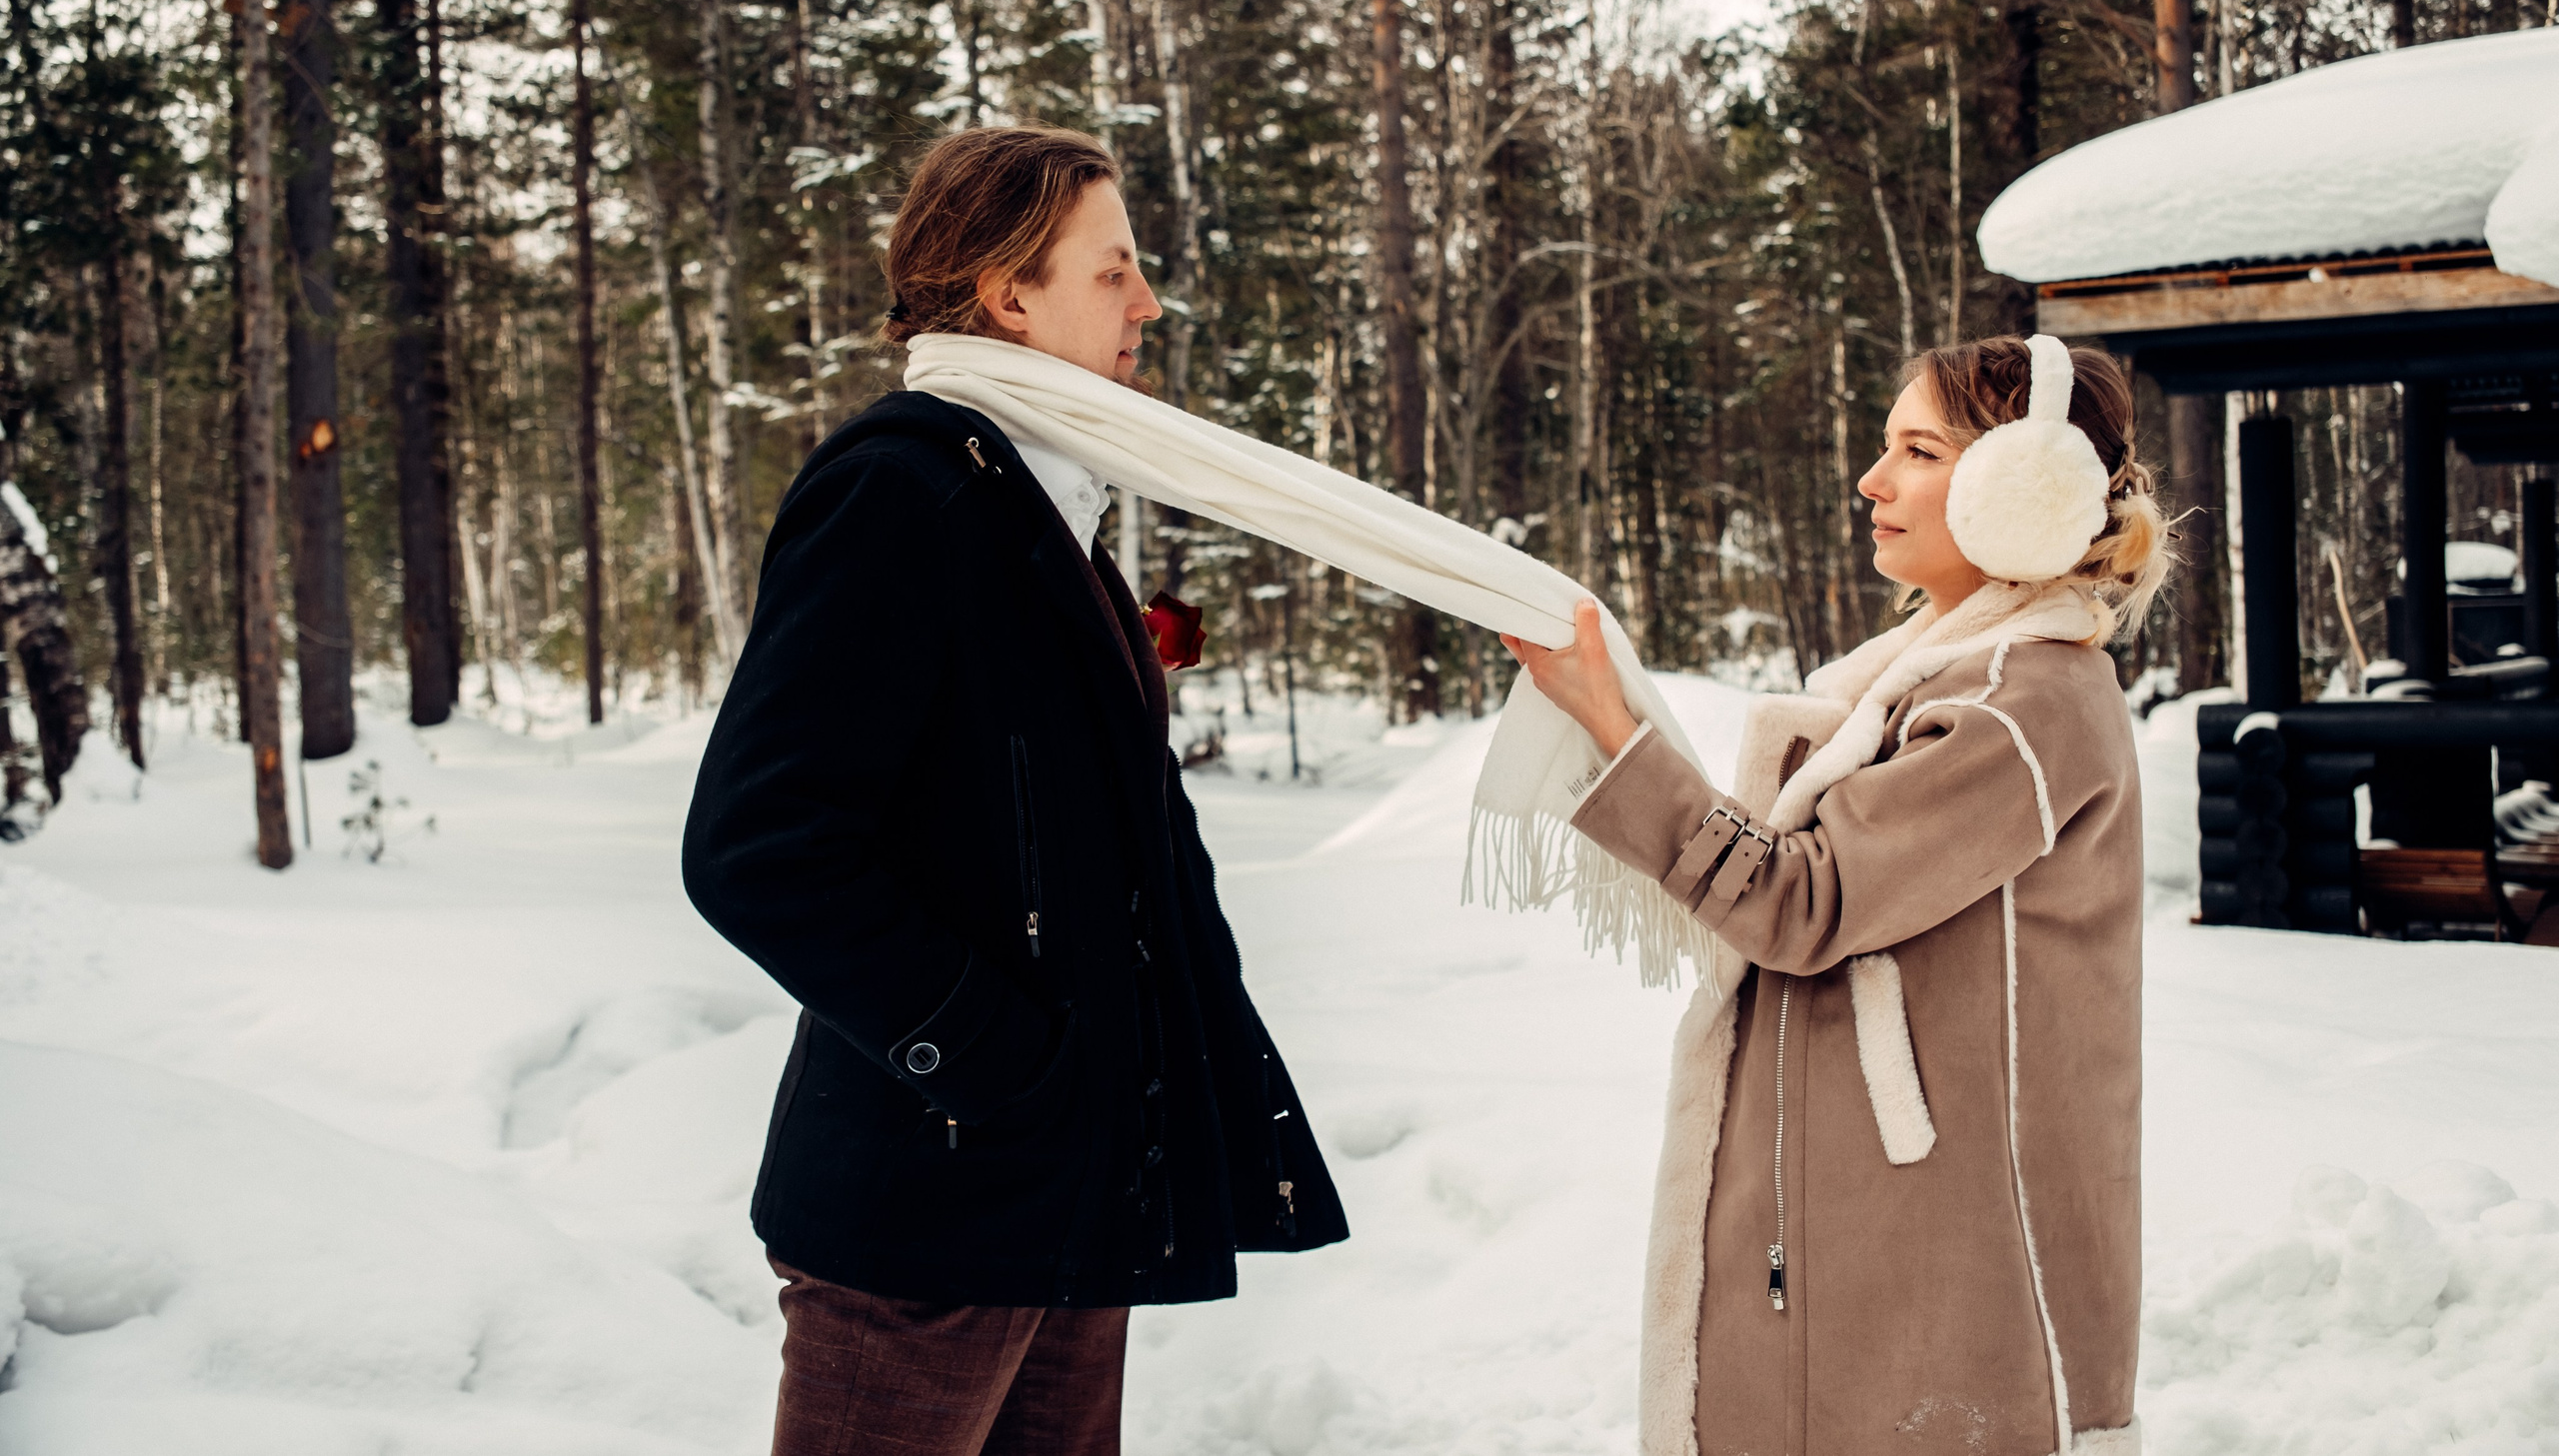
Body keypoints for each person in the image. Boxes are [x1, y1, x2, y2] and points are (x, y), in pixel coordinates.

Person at [683, 124, 1346, 1456]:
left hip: (1066, 1191)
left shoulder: (1037, 500)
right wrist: (989, 1057)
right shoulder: (901, 491)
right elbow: (758, 844)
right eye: (1115, 272)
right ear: (1008, 291)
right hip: (927, 1204)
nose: (1147, 303)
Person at [1504, 337, 2161, 1456]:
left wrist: (1613, 728)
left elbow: (1800, 903)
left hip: (1959, 1265)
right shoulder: (1942, 681)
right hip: (1884, 1240)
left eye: (1917, 451)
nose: (1871, 480)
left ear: (2022, 491)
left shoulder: (2019, 706)